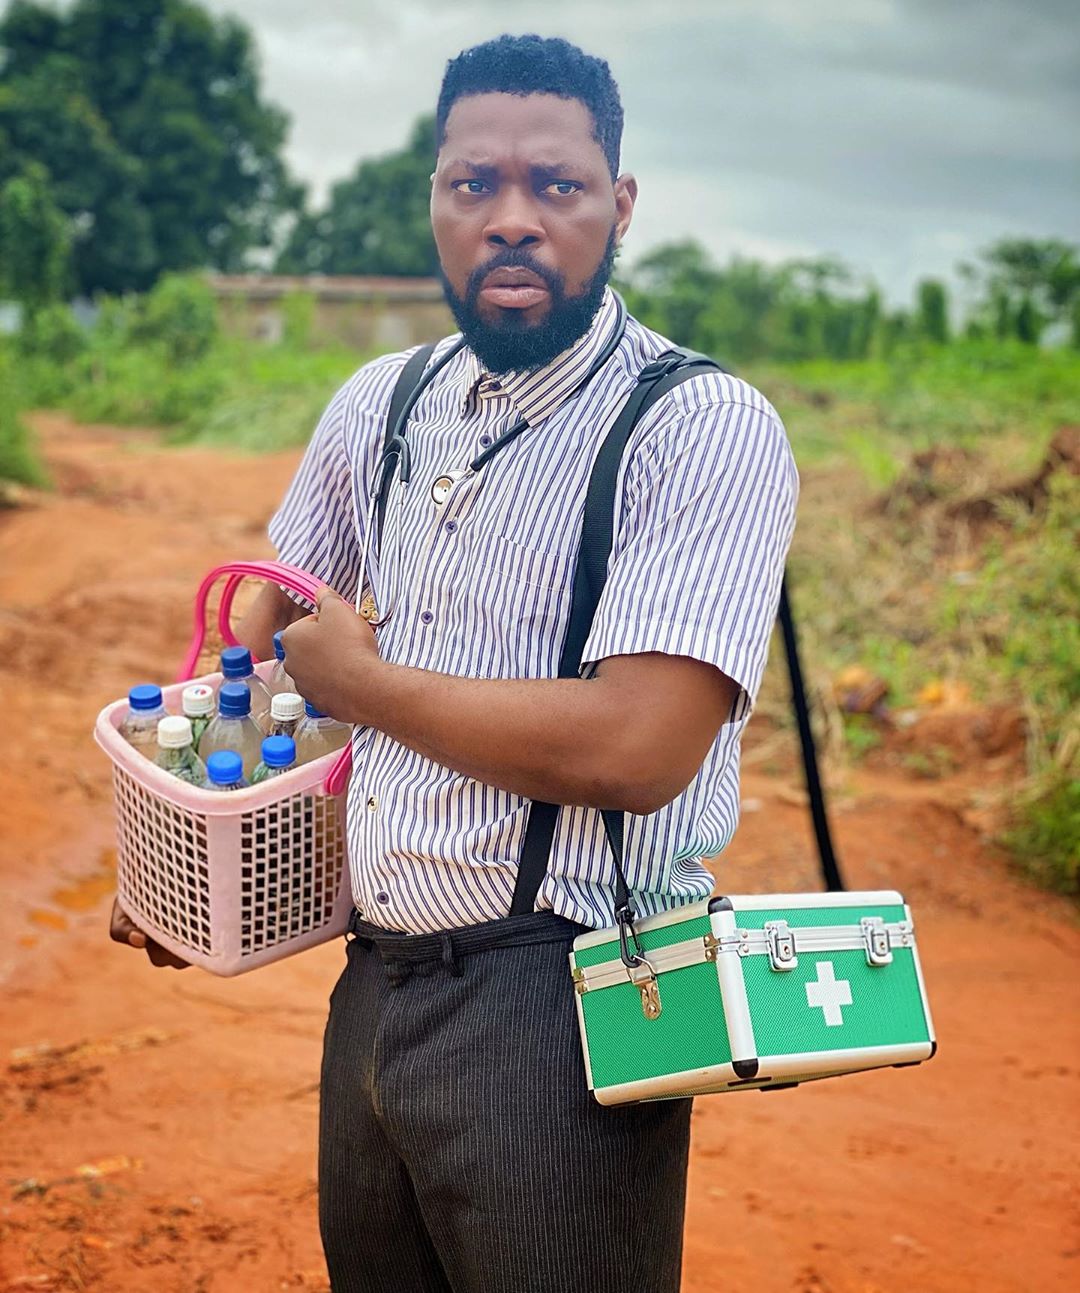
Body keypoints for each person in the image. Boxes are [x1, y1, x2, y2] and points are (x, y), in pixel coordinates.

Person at [111, 33, 798, 1293]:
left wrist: (362, 688)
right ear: (433, 198)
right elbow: (261, 615)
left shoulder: (697, 429)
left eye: (558, 185)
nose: (513, 220)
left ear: (620, 204)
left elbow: (636, 748)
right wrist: (178, 847)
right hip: (373, 982)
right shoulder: (380, 400)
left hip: (572, 998)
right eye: (474, 185)